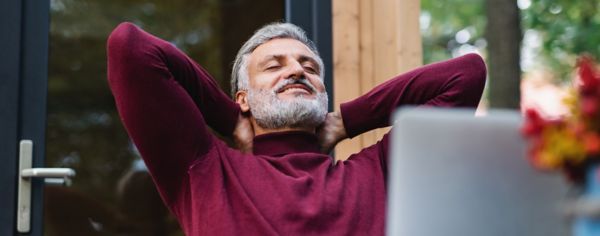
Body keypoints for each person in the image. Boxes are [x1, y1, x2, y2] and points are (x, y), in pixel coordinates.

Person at [107, 22, 486, 235]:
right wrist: (230, 120)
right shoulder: (205, 170)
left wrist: (347, 120)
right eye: (274, 66)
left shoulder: (379, 172)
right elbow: (130, 47)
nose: (296, 70)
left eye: (310, 67)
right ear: (243, 97)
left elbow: (465, 75)